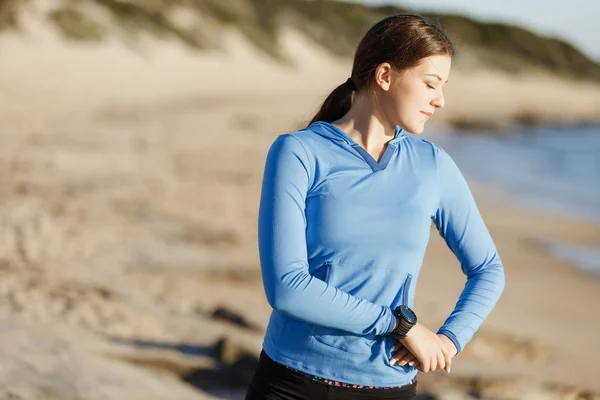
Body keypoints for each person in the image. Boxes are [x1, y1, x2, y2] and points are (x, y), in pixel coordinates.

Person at [245, 13, 505, 400]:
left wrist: (450, 340)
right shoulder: (299, 152)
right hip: (292, 381)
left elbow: (488, 269)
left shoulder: (432, 165)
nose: (441, 100)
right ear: (385, 76)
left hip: (389, 386)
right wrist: (400, 326)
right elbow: (287, 287)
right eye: (431, 84)